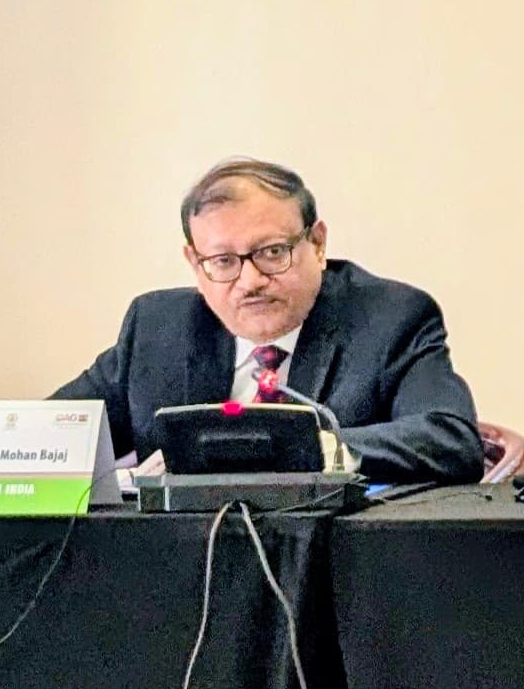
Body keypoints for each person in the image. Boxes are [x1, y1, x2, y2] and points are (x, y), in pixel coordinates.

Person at [57, 157, 486, 484]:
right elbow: (51, 438)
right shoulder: (156, 329)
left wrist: (289, 448)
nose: (250, 280)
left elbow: (449, 439)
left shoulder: (390, 319)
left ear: (317, 243)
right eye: (223, 261)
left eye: (272, 252)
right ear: (194, 262)